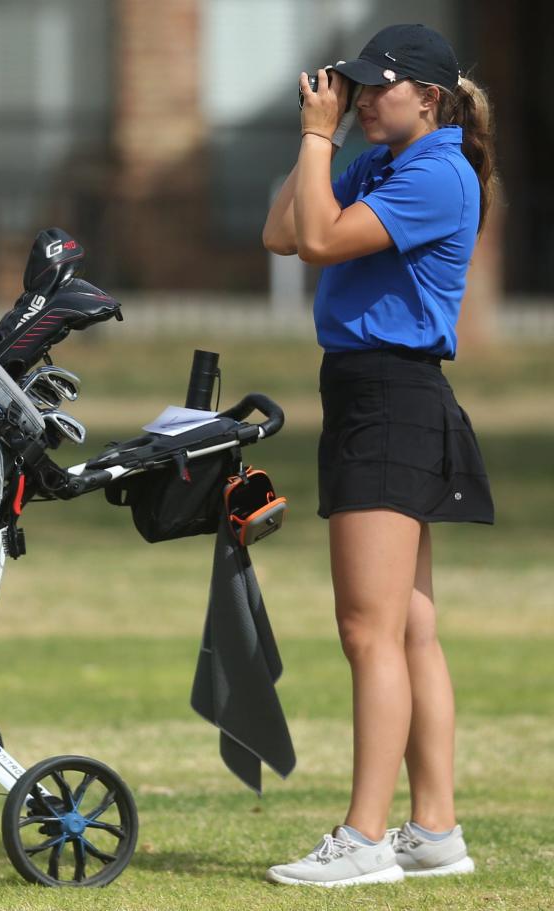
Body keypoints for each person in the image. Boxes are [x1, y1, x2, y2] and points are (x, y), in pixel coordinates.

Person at [261, 23, 496, 887]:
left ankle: (363, 840)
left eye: (376, 88)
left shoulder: (436, 170)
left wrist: (322, 135)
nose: (359, 99)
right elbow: (283, 232)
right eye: (352, 87)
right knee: (411, 629)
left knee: (368, 630)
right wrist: (316, 142)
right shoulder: (389, 163)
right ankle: (433, 829)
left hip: (390, 401)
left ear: (427, 97)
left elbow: (320, 245)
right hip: (378, 396)